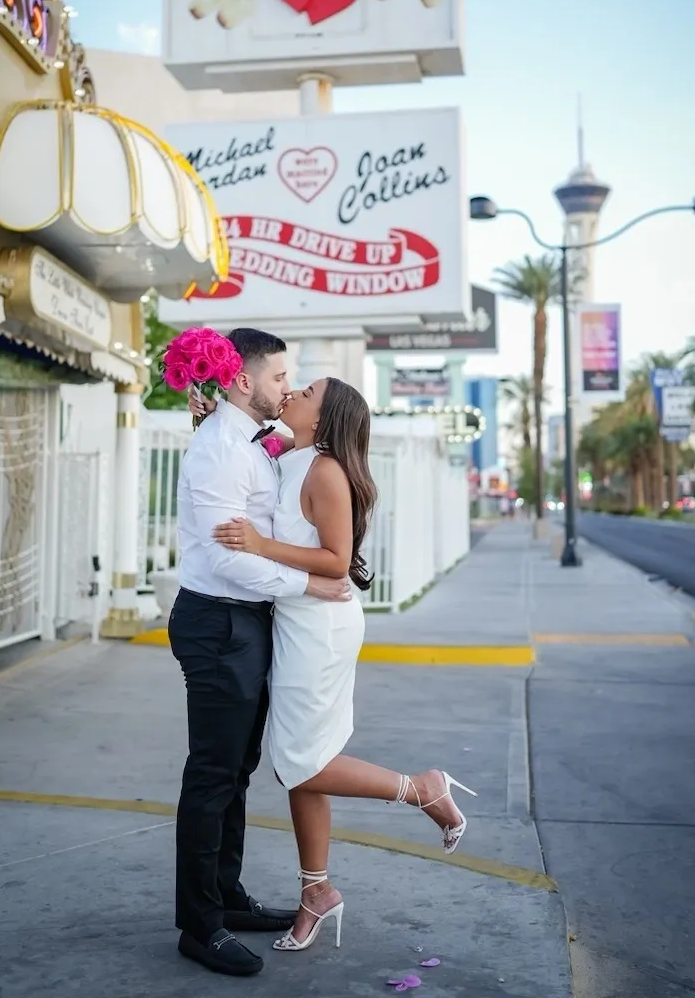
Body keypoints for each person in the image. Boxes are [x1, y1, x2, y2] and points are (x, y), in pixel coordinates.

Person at [196, 373, 476, 957]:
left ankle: (419, 789)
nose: (292, 392)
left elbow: (337, 559)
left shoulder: (325, 471)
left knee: (300, 762)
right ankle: (316, 890)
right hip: (295, 620)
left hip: (319, 628)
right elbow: (239, 458)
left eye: (306, 392)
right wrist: (208, 418)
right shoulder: (288, 453)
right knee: (304, 757)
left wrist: (260, 544)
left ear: (322, 420)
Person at [169, 328, 355, 979]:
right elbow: (226, 557)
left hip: (245, 622)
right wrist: (309, 583)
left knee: (237, 769)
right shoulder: (222, 447)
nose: (288, 386)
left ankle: (226, 897)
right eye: (281, 376)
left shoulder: (246, 440)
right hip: (218, 620)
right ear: (243, 380)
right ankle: (200, 925)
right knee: (213, 774)